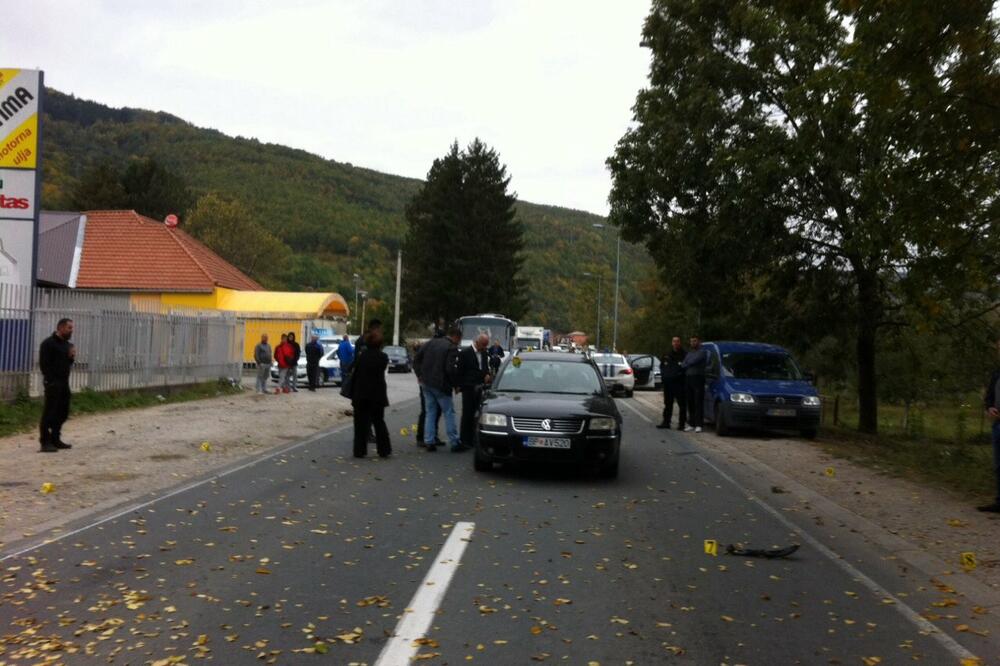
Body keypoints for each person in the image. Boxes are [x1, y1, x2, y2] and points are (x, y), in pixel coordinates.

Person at [414, 325, 461, 451]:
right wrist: (455, 385)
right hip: (441, 385)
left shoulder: (430, 343)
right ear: (456, 337)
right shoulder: (451, 348)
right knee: (449, 412)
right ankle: (455, 441)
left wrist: (419, 375)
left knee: (430, 412)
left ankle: (429, 441)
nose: (459, 342)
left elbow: (417, 359)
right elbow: (450, 369)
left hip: (426, 383)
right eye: (459, 340)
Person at [350, 328, 392, 458]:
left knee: (360, 424)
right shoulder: (383, 357)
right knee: (379, 422)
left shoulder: (362, 357)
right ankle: (384, 449)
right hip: (377, 394)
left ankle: (359, 450)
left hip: (361, 393)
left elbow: (353, 370)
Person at [39, 318, 76, 453]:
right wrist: (50, 380)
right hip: (53, 383)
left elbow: (68, 364)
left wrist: (71, 357)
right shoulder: (48, 344)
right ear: (60, 328)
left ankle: (56, 438)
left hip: (64, 382)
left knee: (63, 412)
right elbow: (44, 364)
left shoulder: (67, 345)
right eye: (69, 328)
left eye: (72, 328)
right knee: (49, 412)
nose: (71, 330)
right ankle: (45, 441)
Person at [457, 333, 491, 451]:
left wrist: (487, 374)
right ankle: (464, 439)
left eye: (486, 345)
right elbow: (460, 371)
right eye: (483, 345)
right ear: (477, 342)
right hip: (469, 387)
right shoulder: (465, 353)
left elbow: (485, 367)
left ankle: (472, 439)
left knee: (477, 414)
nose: (484, 348)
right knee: (467, 414)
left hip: (480, 387)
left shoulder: (484, 353)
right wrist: (459, 386)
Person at [980, 338, 1000, 513]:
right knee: (999, 465)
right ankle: (999, 501)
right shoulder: (996, 374)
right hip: (997, 425)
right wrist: (990, 408)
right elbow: (988, 397)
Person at [415, 332, 444, 448]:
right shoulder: (428, 348)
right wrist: (420, 375)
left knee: (434, 410)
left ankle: (431, 435)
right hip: (428, 382)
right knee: (428, 410)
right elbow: (416, 362)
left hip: (432, 382)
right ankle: (422, 436)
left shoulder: (429, 347)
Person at [657, 336, 686, 430]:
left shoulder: (684, 354)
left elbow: (685, 367)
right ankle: (666, 422)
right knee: (668, 403)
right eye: (674, 341)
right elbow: (662, 366)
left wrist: (680, 375)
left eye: (677, 341)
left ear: (680, 342)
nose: (675, 343)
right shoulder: (667, 354)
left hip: (679, 383)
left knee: (682, 404)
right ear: (672, 342)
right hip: (668, 383)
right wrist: (664, 376)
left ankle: (681, 424)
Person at [681, 335, 708, 433]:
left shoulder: (702, 352)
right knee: (690, 402)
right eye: (691, 341)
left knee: (698, 402)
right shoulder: (689, 353)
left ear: (699, 342)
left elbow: (693, 361)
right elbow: (684, 364)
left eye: (695, 341)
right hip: (688, 378)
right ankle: (691, 423)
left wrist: (687, 363)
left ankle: (699, 424)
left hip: (698, 378)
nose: (693, 343)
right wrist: (687, 363)